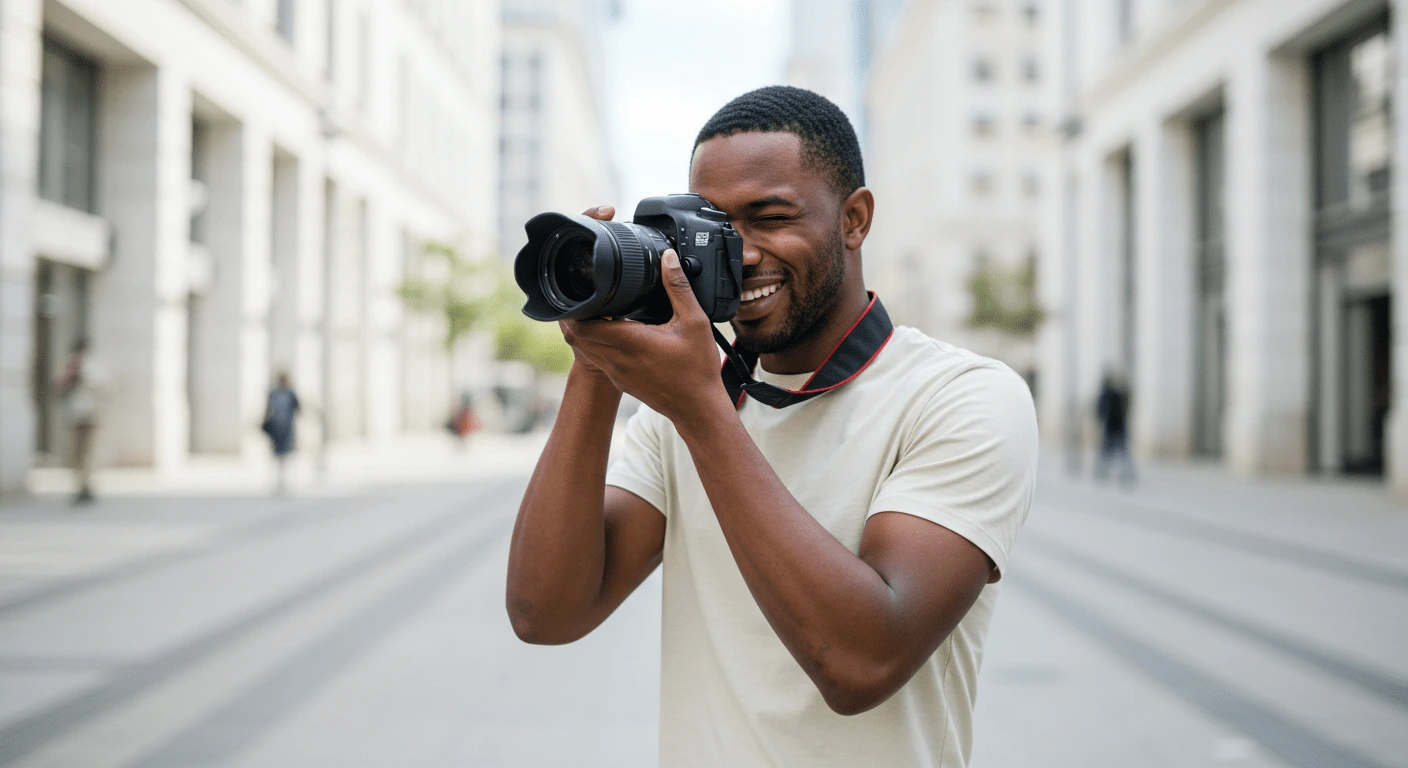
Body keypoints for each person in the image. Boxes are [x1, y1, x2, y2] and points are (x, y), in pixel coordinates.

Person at [506, 86, 1037, 768]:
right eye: (715, 226)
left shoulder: (959, 397)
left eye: (769, 218)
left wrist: (700, 410)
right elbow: (545, 611)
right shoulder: (684, 410)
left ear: (855, 219)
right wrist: (597, 355)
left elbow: (860, 662)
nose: (739, 253)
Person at [54, 338, 106, 505]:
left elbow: (102, 386)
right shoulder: (68, 367)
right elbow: (57, 387)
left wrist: (83, 378)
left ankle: (86, 485)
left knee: (88, 453)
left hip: (90, 415)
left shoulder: (93, 365)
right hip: (74, 416)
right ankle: (80, 485)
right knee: (75, 453)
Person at [1095, 372, 1136, 485]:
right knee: (1114, 452)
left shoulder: (1112, 395)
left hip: (1113, 428)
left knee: (1115, 452)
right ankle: (1103, 471)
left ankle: (1105, 472)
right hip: (1115, 428)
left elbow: (1101, 411)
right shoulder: (1111, 395)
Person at [262, 372, 300, 495]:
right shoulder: (273, 394)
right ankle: (277, 479)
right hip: (276, 429)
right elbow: (267, 411)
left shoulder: (290, 394)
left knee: (285, 454)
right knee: (276, 454)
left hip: (287, 428)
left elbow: (298, 408)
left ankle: (284, 479)